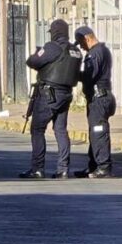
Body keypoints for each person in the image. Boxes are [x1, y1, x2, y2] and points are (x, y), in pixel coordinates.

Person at [20, 19, 82, 179]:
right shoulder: (75, 50)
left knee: (37, 129)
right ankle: (63, 169)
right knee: (60, 130)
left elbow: (32, 61)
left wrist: (37, 52)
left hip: (49, 94)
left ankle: (38, 169)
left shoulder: (52, 47)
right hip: (66, 95)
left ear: (54, 32)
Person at [73, 26, 114, 179]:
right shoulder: (102, 50)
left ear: (87, 39)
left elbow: (91, 75)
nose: (82, 48)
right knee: (94, 133)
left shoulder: (95, 53)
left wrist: (75, 74)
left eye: (81, 43)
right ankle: (94, 165)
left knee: (98, 132)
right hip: (99, 98)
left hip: (99, 98)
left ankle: (103, 167)